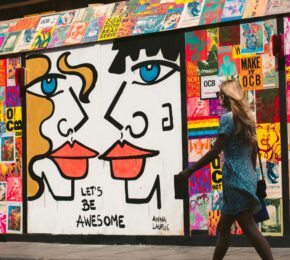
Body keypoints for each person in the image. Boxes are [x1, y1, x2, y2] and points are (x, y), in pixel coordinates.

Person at [178, 80, 273, 260]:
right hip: (246, 177)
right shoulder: (247, 118)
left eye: (220, 94)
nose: (218, 97)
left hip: (234, 179)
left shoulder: (228, 119)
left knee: (250, 228)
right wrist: (250, 176)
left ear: (227, 96)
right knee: (223, 228)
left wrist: (191, 170)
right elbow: (253, 151)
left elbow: (215, 151)